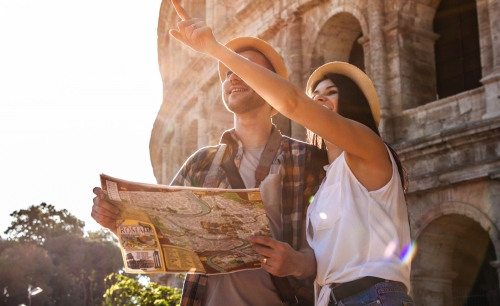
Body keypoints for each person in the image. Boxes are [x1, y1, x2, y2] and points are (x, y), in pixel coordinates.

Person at [167, 0, 414, 305]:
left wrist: (215, 49)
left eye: (331, 92)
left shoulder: (370, 151)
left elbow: (294, 103)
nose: (320, 100)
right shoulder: (325, 177)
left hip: (371, 296)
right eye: (316, 95)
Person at [92, 7, 327, 306]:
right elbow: (160, 241)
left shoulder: (307, 161)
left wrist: (298, 263)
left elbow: (337, 251)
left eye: (245, 69)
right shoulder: (199, 163)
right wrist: (117, 224)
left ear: (270, 86)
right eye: (229, 73)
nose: (233, 77)